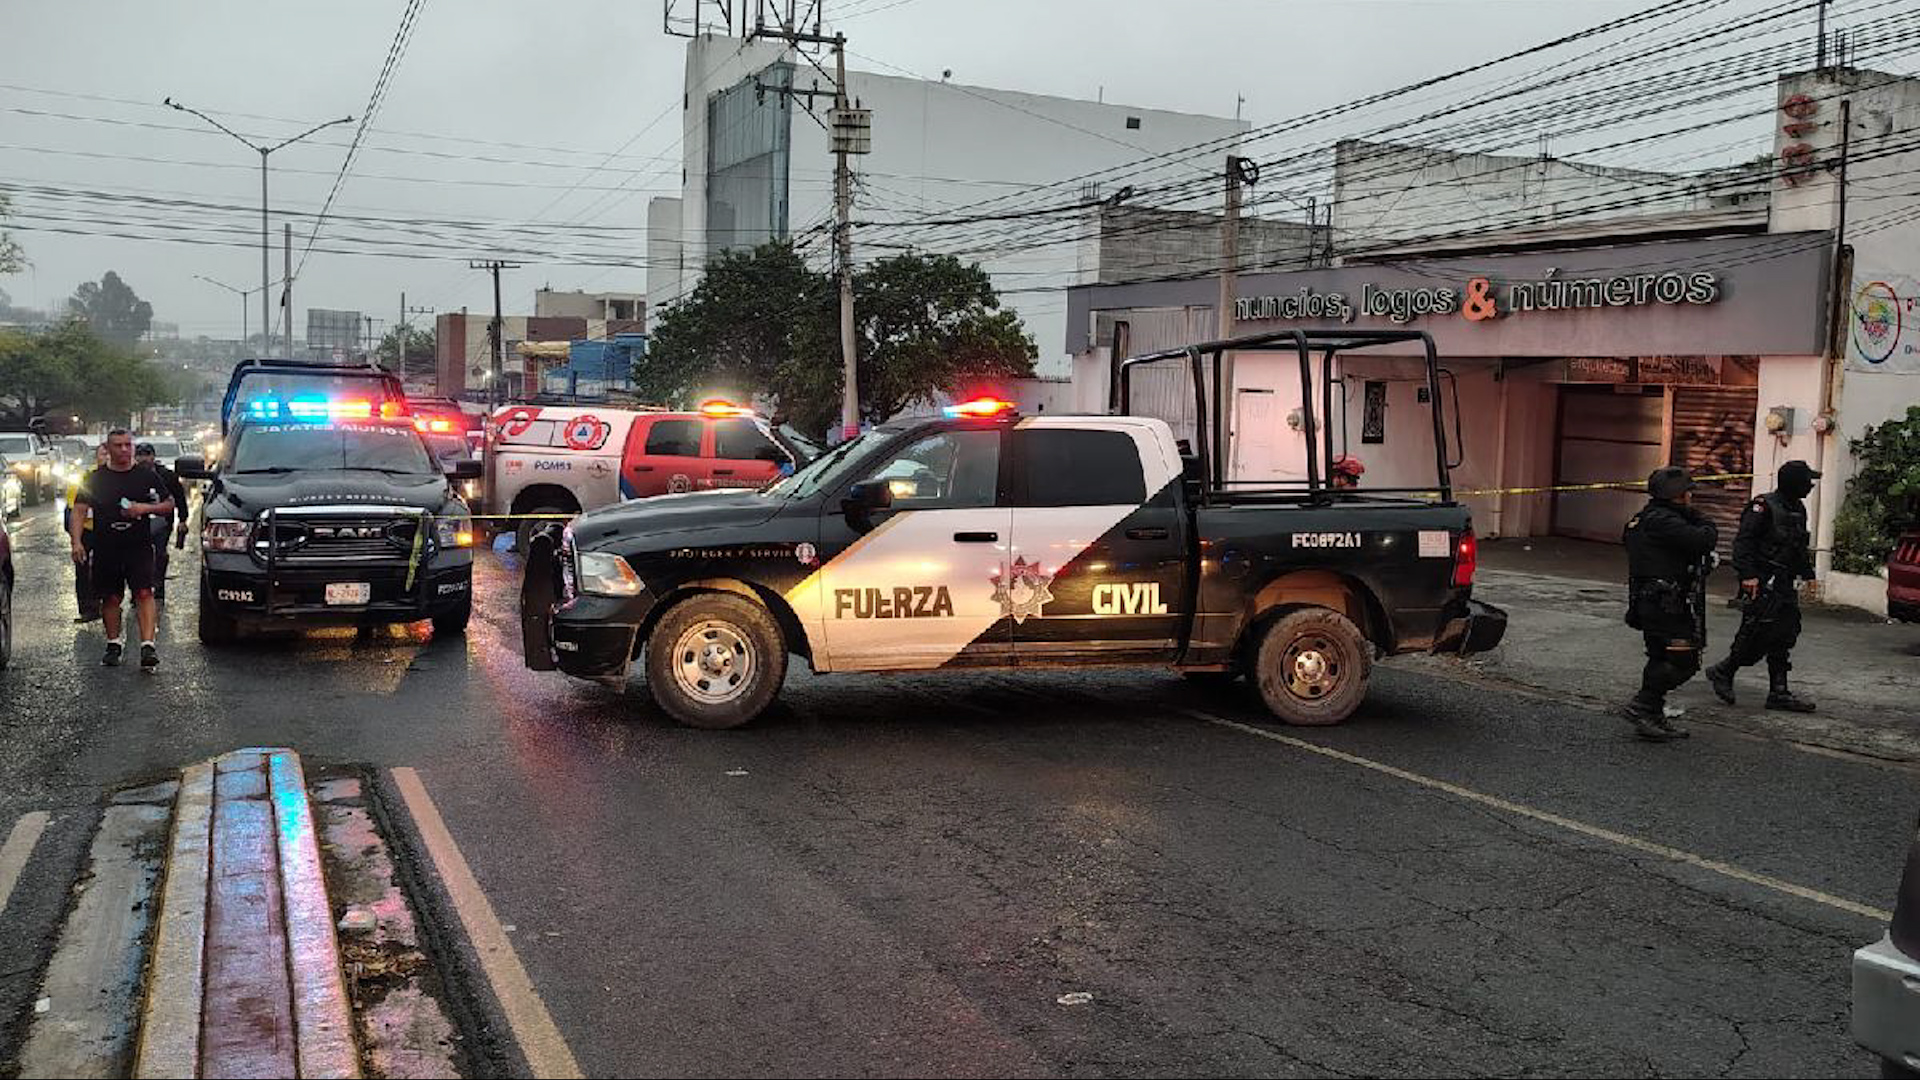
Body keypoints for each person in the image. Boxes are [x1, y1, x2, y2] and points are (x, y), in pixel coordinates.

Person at [1705, 460, 1820, 712]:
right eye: (1806, 481)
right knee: (1756, 632)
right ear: (1794, 483)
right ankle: (1723, 671)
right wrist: (1748, 576)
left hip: (1784, 581)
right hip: (1761, 580)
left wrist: (1808, 574)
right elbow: (1743, 543)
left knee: (1786, 633)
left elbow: (1797, 545)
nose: (1811, 486)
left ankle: (1779, 692)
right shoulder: (1763, 506)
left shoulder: (1798, 508)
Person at [1621, 466, 1718, 740]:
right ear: (1676, 495)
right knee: (1683, 661)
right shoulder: (1664, 522)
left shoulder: (1644, 519)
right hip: (1665, 604)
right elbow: (1704, 539)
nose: (1691, 497)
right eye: (1688, 492)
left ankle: (1651, 713)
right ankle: (1644, 704)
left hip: (1653, 601)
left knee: (1659, 657)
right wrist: (1702, 520)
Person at [68, 429, 174, 671]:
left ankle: (148, 646)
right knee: (111, 597)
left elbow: (168, 505)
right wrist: (77, 542)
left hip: (138, 545)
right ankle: (113, 643)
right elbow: (79, 510)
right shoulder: (94, 478)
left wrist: (143, 509)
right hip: (107, 546)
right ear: (108, 448)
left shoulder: (146, 476)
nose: (124, 450)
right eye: (118, 446)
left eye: (128, 445)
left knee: (145, 593)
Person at [134, 442, 190, 601]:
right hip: (138, 522)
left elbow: (179, 497)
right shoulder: (131, 475)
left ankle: (158, 586)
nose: (144, 459)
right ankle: (139, 589)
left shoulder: (167, 475)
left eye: (147, 455)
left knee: (160, 553)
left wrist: (183, 520)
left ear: (153, 457)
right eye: (140, 455)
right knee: (138, 556)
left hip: (163, 522)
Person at [64, 443, 110, 623]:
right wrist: (76, 539)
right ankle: (87, 609)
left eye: (108, 454)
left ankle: (107, 603)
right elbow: (73, 507)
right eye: (102, 454)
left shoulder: (120, 476)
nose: (106, 457)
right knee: (82, 568)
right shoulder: (85, 477)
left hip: (109, 530)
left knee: (108, 567)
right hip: (87, 528)